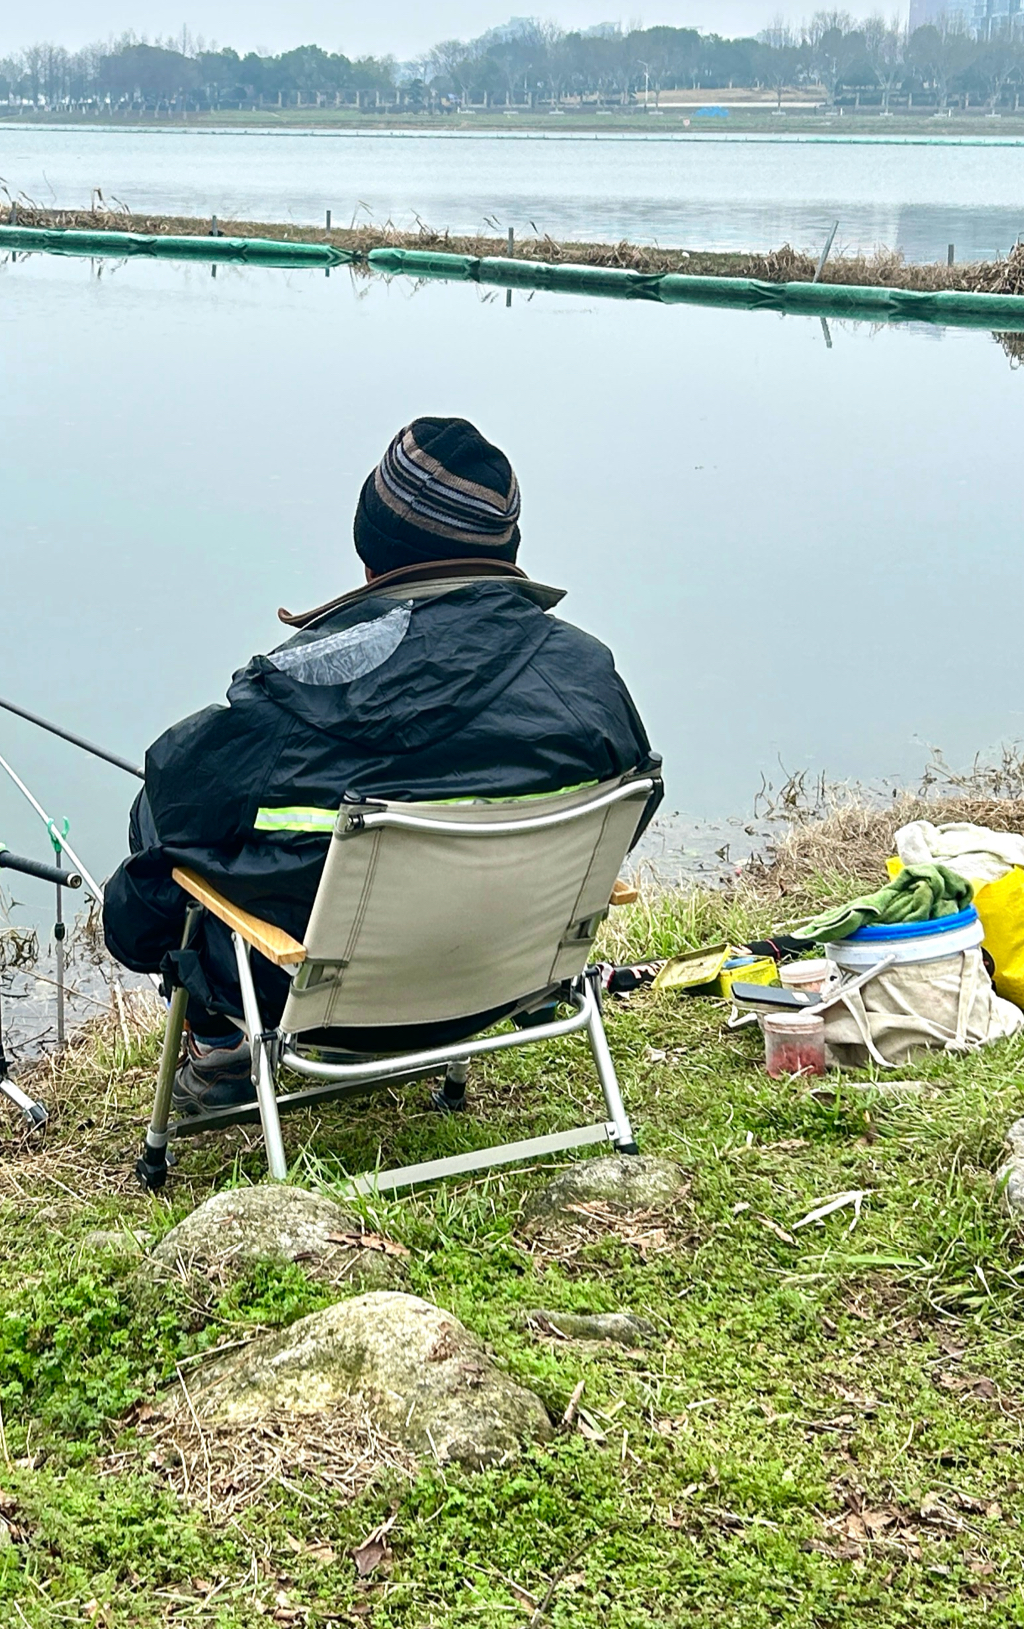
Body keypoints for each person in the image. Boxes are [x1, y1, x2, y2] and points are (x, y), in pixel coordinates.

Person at [102, 414, 658, 1118]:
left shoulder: (295, 693)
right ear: (507, 549)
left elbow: (171, 814)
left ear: (372, 553)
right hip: (503, 975)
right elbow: (634, 804)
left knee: (165, 819)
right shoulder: (590, 678)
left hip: (316, 1003)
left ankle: (220, 1053)